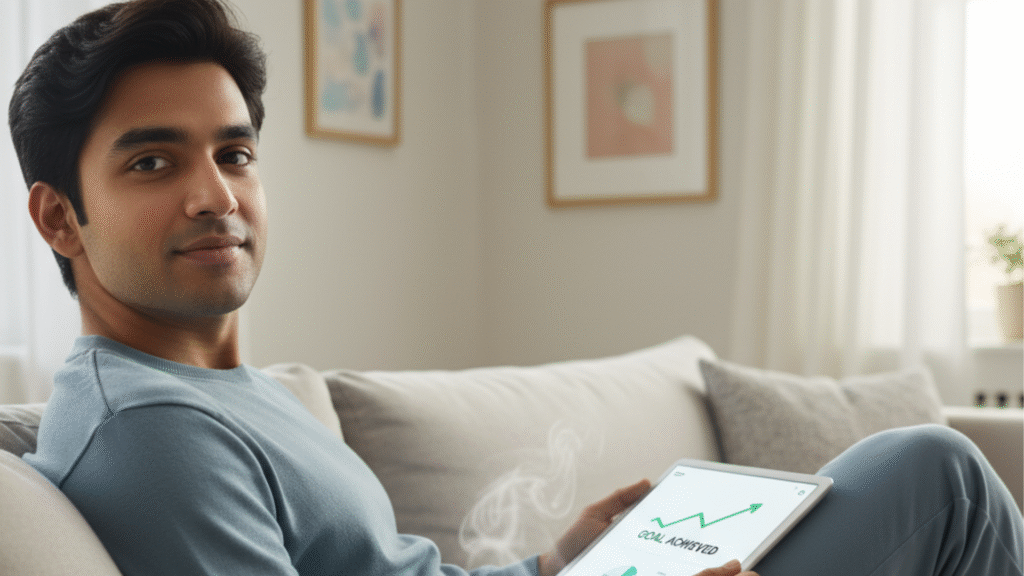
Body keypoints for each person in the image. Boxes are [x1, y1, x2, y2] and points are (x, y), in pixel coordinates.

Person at [7, 1, 1022, 575]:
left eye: (234, 152)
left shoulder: (238, 393)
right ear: (58, 217)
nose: (213, 195)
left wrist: (548, 569)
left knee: (926, 470)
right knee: (936, 473)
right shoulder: (147, 433)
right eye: (152, 164)